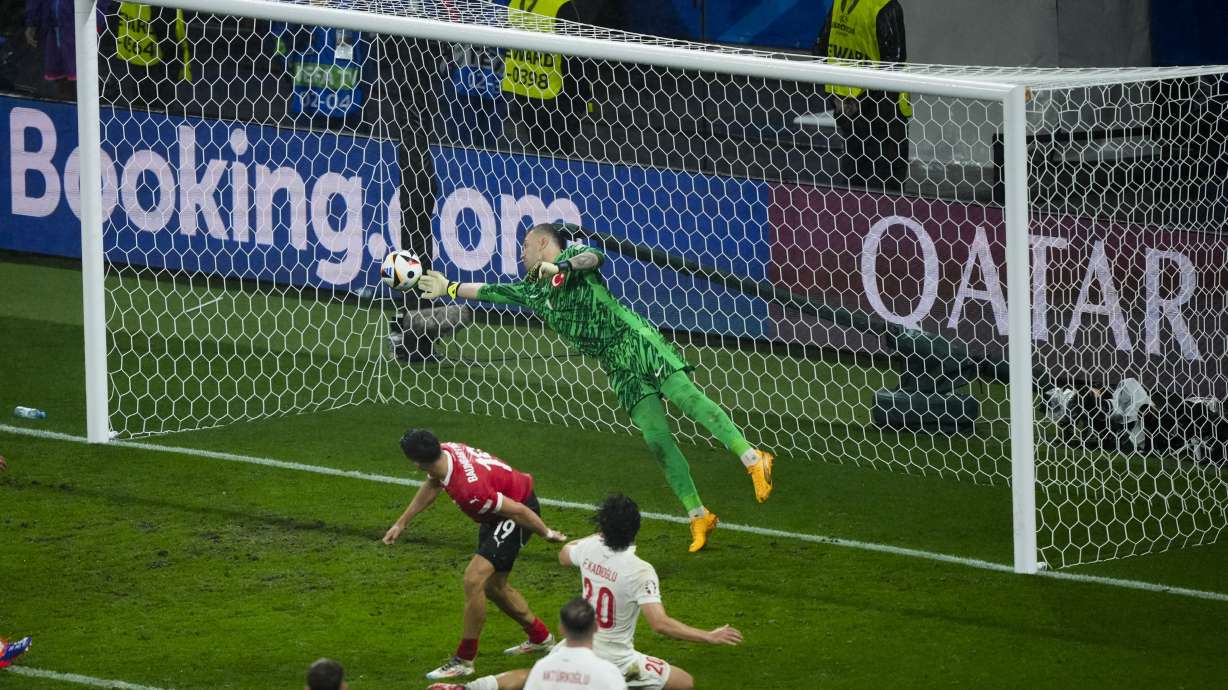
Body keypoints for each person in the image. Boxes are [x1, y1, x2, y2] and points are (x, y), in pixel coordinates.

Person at [416, 222, 774, 553]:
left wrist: (562, 269)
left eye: (525, 246)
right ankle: (699, 516)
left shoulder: (571, 257)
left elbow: (595, 257)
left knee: (688, 398)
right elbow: (492, 291)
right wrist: (449, 286)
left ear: (543, 243)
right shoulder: (532, 289)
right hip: (614, 364)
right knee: (657, 441)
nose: (521, 253)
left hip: (635, 340)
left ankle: (753, 458)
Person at [437, 494, 742, 690]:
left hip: (576, 643)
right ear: (635, 530)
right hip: (619, 658)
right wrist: (708, 635)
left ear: (603, 528)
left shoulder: (590, 547)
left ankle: (470, 688)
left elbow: (563, 554)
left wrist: (597, 537)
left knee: (534, 676)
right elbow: (659, 624)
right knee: (685, 682)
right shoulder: (641, 570)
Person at [384, 429, 570, 681]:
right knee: (495, 587)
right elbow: (433, 484)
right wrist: (401, 523)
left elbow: (517, 511)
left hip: (517, 511)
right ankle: (541, 638)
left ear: (416, 462)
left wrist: (545, 532)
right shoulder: (446, 452)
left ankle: (464, 659)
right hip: (498, 509)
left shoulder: (470, 490)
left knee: (474, 579)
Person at [814, 0, 910, 193]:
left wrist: (833, 95)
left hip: (845, 104)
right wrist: (862, 99)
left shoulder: (840, 3)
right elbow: (895, 61)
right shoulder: (885, 6)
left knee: (855, 171)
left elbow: (820, 49)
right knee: (887, 180)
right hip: (883, 109)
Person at [429, 598, 626, 690]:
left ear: (561, 629)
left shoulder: (543, 667)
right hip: (620, 655)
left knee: (526, 675)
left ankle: (469, 688)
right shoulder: (608, 672)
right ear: (595, 627)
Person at [501, 0, 591, 157]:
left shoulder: (514, 2)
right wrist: (580, 101)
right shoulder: (560, 6)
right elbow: (574, 59)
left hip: (522, 89)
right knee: (559, 158)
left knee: (537, 149)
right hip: (555, 96)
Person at [24, 0, 75, 99]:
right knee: (57, 77)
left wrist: (96, 22)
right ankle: (63, 109)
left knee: (80, 77)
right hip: (50, 28)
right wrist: (31, 22)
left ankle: (84, 110)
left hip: (79, 28)